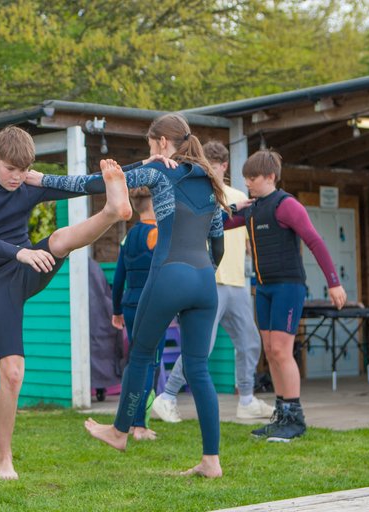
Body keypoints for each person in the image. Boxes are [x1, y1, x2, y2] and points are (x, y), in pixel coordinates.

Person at [0, 124, 147, 480]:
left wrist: (145, 165)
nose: (17, 177)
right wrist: (20, 252)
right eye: (10, 169)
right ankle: (4, 457)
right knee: (12, 374)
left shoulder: (30, 185)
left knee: (59, 239)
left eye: (23, 170)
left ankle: (111, 211)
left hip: (30, 267)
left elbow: (85, 182)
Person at [78, 113, 227, 478]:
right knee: (199, 369)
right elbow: (218, 244)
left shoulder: (158, 172)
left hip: (169, 275)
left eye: (150, 145)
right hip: (205, 280)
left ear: (161, 142)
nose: (150, 151)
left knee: (141, 355)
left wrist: (143, 163)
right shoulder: (210, 182)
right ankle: (211, 461)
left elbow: (101, 181)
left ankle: (118, 432)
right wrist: (202, 272)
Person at [225, 149, 346, 442]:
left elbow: (315, 242)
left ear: (270, 177)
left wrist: (334, 283)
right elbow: (218, 224)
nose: (248, 183)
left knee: (281, 350)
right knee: (270, 351)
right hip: (263, 288)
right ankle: (282, 414)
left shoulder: (286, 205)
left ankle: (295, 418)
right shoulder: (251, 208)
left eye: (252, 178)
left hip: (288, 287)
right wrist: (233, 205)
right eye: (245, 178)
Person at [151, 140, 274, 423]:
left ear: (223, 167)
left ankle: (246, 399)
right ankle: (167, 397)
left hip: (237, 283)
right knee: (200, 345)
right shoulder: (199, 193)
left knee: (249, 341)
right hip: (208, 281)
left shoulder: (238, 194)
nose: (209, 170)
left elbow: (245, 243)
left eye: (214, 166)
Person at [110, 187, 167, 441]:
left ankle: (131, 421)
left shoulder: (129, 235)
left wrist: (116, 309)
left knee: (135, 363)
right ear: (155, 203)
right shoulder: (158, 234)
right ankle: (139, 425)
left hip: (130, 305)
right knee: (149, 365)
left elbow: (118, 276)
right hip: (153, 307)